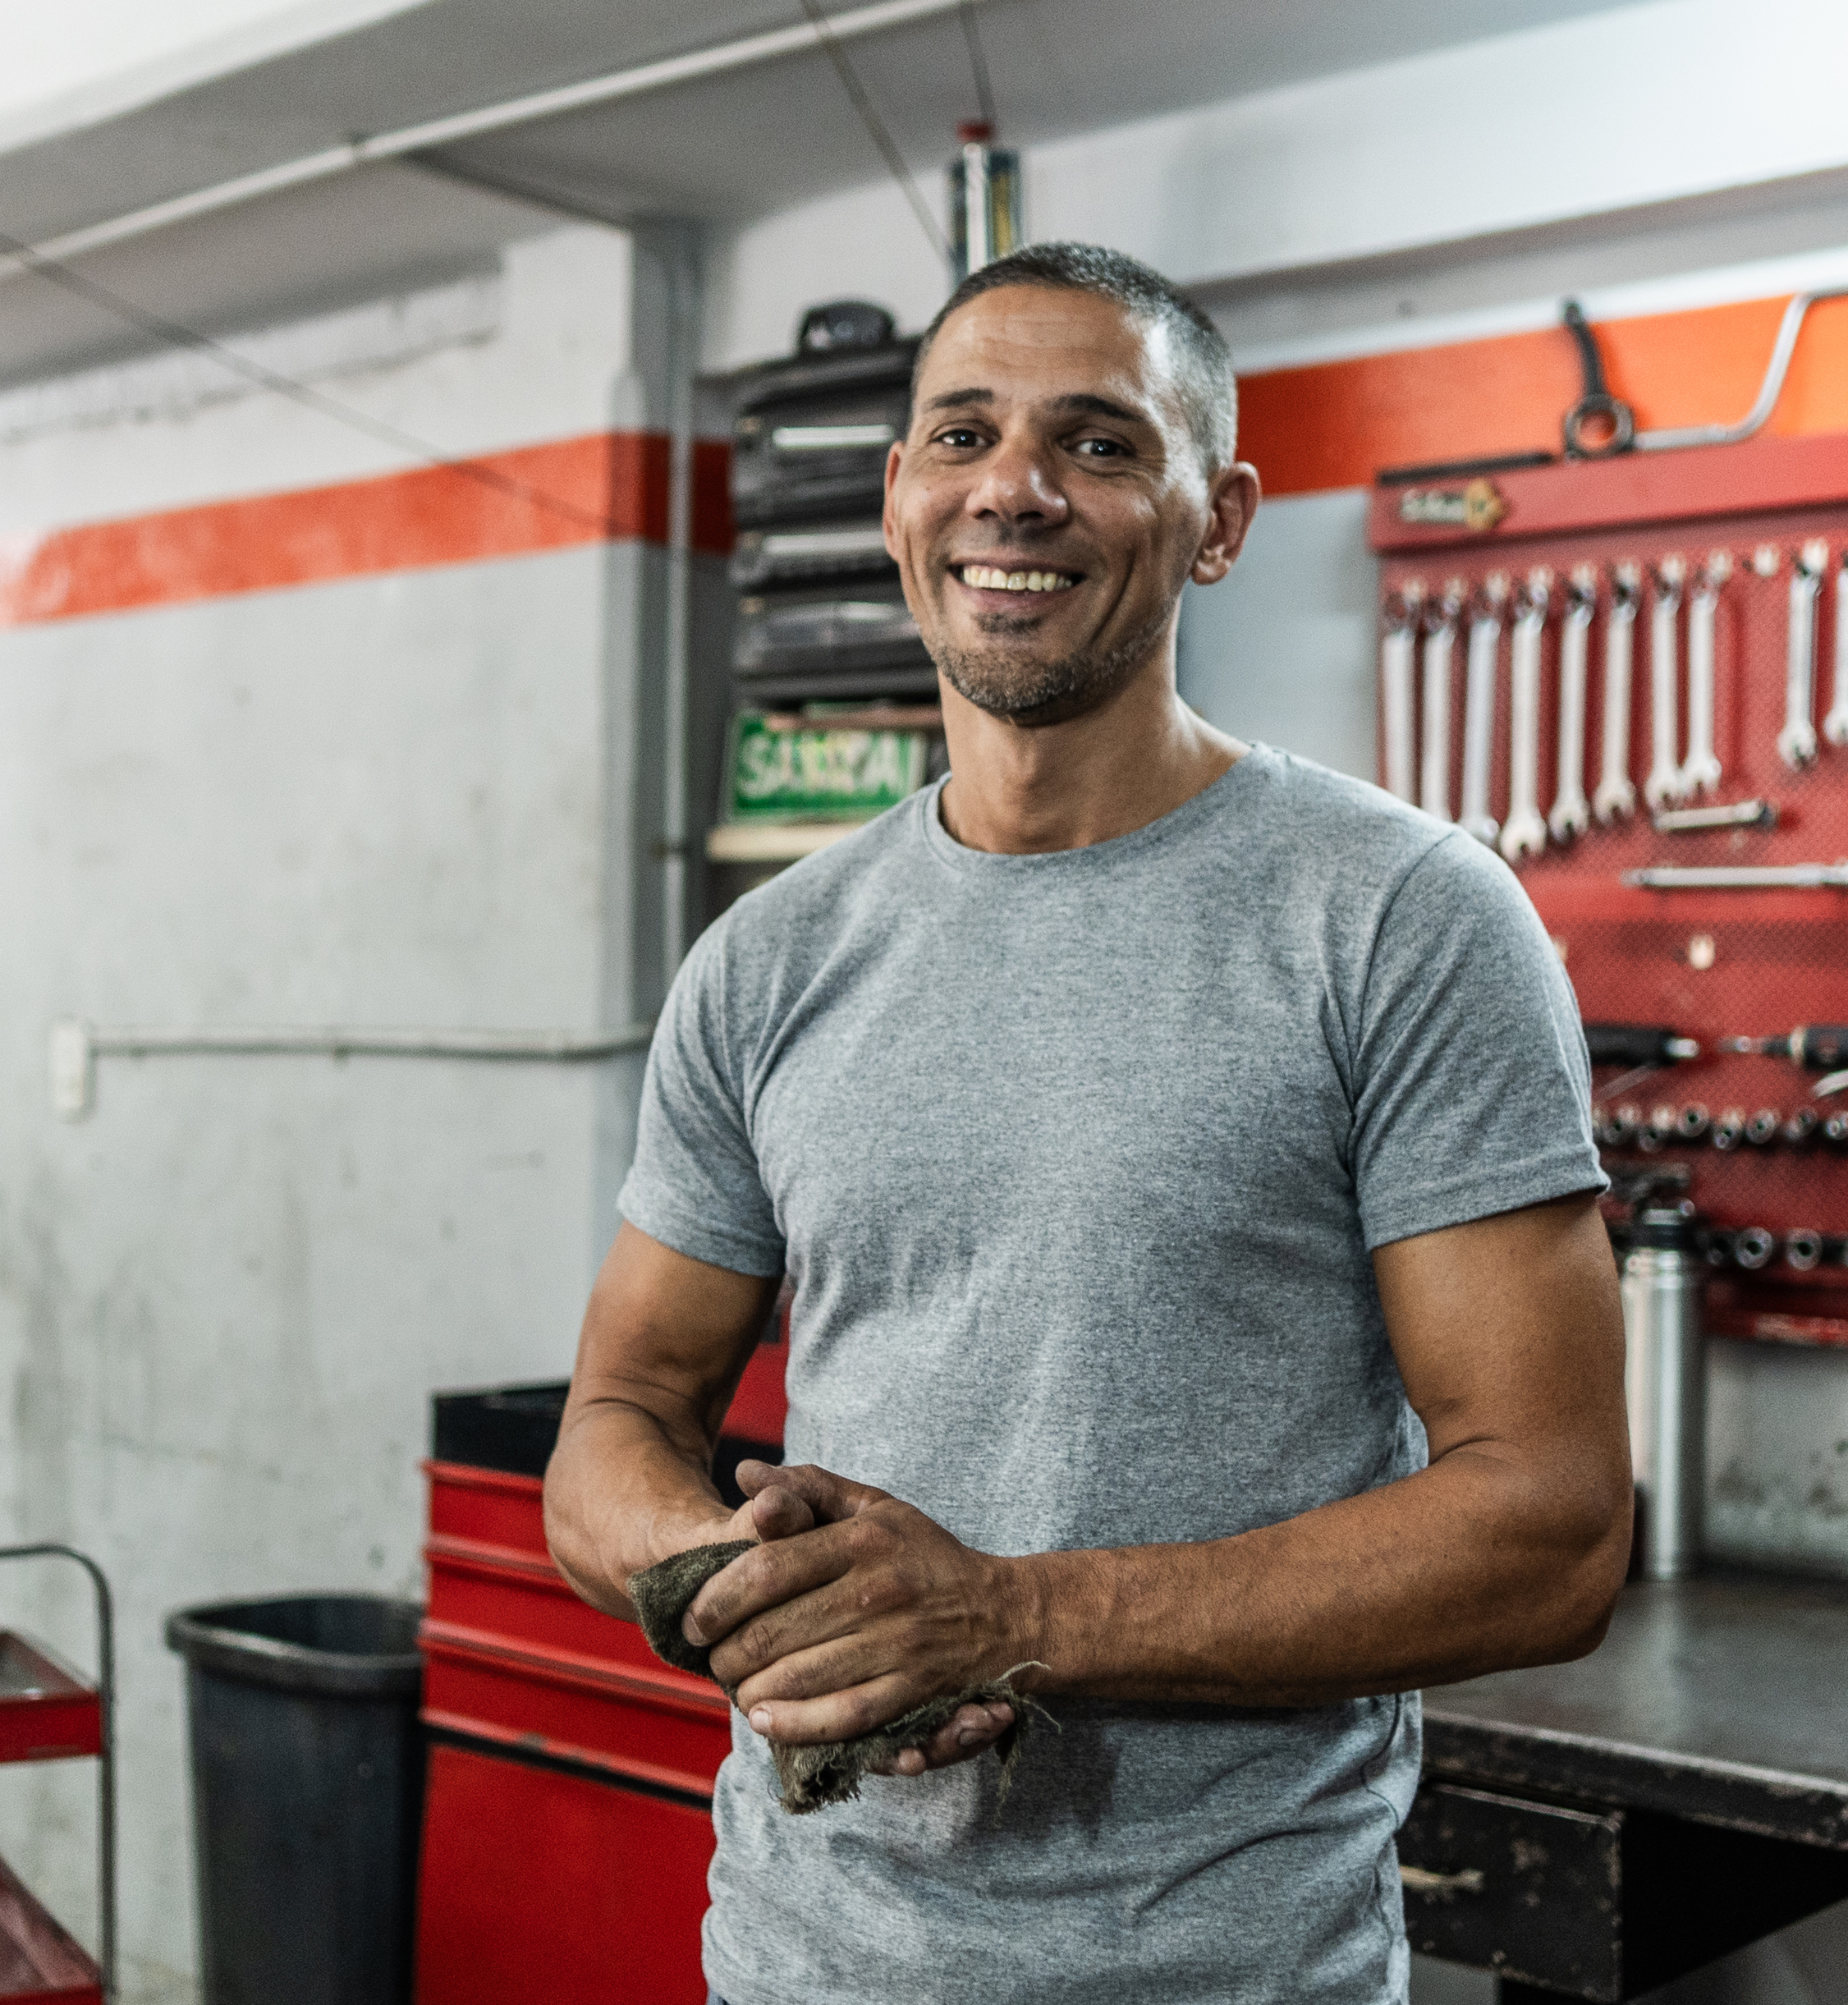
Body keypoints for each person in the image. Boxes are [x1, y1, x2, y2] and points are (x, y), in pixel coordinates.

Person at [544, 240, 1630, 2005]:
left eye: (1103, 444)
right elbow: (614, 1421)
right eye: (960, 434)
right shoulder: (768, 962)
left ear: (1221, 517)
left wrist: (1010, 1616)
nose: (1016, 491)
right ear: (899, 495)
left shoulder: (1400, 918)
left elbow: (1554, 1523)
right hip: (799, 1965)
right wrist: (725, 1585)